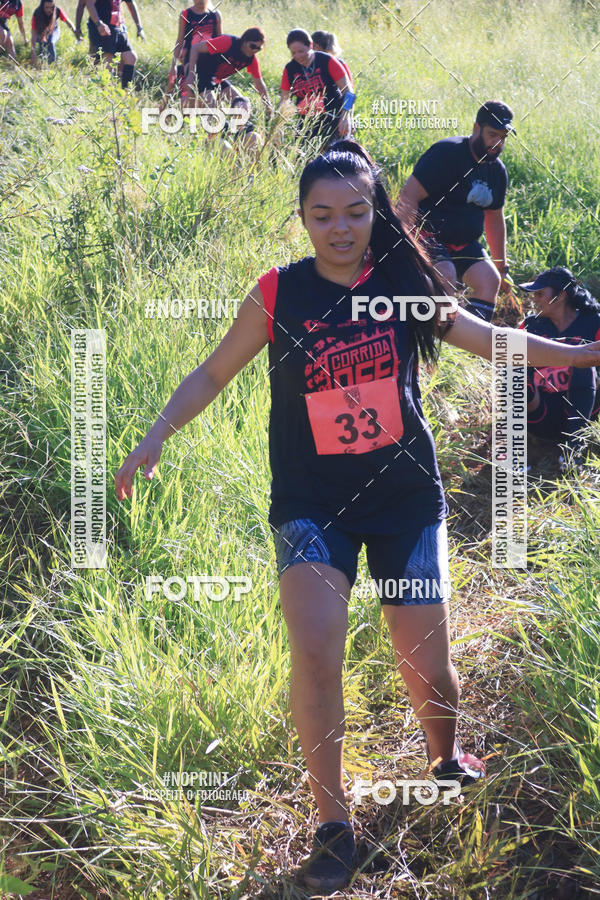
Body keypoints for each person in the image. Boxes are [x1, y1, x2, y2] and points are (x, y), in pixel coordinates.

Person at [114, 140, 600, 894]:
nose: (340, 229)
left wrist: (574, 357)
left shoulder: (402, 280)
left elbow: (486, 339)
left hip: (403, 497)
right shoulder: (278, 293)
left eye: (355, 212)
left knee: (426, 665)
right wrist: (153, 436)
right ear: (303, 219)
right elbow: (213, 371)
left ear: (376, 213)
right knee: (316, 650)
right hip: (312, 505)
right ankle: (333, 825)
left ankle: (445, 757)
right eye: (321, 215)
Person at [397, 100, 514, 321]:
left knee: (490, 280)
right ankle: (434, 343)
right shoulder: (446, 154)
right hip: (427, 234)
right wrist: (402, 242)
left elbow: (495, 220)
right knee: (446, 275)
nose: (497, 143)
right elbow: (408, 196)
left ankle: (471, 344)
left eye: (502, 138)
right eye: (492, 135)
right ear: (476, 129)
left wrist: (501, 268)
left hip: (463, 242)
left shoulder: (497, 171)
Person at [518, 266, 600, 470]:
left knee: (582, 360)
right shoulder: (530, 326)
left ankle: (574, 449)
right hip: (543, 414)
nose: (534, 300)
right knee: (513, 369)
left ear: (561, 295)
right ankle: (515, 449)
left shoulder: (595, 322)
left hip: (587, 411)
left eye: (540, 294)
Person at [279, 28, 353, 148]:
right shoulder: (290, 69)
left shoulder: (327, 61)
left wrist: (346, 117)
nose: (297, 56)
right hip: (307, 124)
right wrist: (278, 127)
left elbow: (348, 92)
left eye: (301, 51)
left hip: (334, 119)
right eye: (293, 53)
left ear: (311, 46)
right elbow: (284, 101)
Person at [184, 28, 270, 115]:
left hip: (216, 79)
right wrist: (191, 74)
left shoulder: (251, 59)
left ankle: (239, 127)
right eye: (253, 46)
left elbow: (259, 84)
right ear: (244, 41)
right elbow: (195, 48)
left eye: (259, 48)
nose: (255, 50)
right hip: (199, 73)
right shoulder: (228, 42)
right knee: (214, 111)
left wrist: (268, 107)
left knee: (243, 105)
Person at [166, 0, 221, 104]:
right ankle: (164, 111)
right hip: (191, 61)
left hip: (210, 61)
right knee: (189, 92)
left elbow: (220, 41)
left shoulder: (215, 15)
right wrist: (173, 65)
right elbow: (179, 41)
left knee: (212, 95)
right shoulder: (186, 14)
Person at [82, 0, 144, 87]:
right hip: (103, 27)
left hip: (118, 27)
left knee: (131, 57)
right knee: (108, 59)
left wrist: (139, 28)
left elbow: (131, 4)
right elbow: (89, 4)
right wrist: (98, 23)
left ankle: (125, 91)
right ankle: (105, 92)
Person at [31, 0, 76, 64]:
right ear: (42, 7)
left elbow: (67, 22)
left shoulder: (57, 10)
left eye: (51, 7)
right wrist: (33, 52)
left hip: (54, 30)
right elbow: (33, 33)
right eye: (46, 7)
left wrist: (76, 33)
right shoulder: (37, 13)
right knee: (42, 44)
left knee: (51, 42)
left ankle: (52, 65)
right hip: (41, 31)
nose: (49, 10)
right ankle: (42, 64)